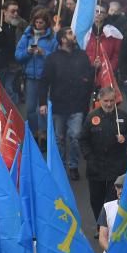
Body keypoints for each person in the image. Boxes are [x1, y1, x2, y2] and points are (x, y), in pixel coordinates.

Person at [38, 27, 93, 179]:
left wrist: (92, 72)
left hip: (77, 105)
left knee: (75, 136)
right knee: (59, 138)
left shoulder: (82, 56)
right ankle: (61, 166)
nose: (73, 35)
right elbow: (44, 82)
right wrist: (42, 103)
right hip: (59, 105)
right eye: (69, 33)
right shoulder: (53, 59)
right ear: (62, 39)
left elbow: (88, 77)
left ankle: (73, 165)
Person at [79, 87, 127, 220]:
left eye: (112, 101)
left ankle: (109, 225)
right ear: (100, 100)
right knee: (96, 199)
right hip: (96, 166)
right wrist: (89, 157)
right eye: (106, 101)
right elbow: (83, 139)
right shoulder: (92, 117)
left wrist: (125, 138)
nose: (109, 104)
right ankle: (99, 223)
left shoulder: (123, 117)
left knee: (112, 199)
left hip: (117, 166)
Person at [15, 7, 57, 138]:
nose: (38, 25)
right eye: (36, 22)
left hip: (45, 78)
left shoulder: (52, 38)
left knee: (43, 108)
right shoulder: (26, 36)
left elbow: (56, 58)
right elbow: (18, 55)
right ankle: (33, 132)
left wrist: (44, 53)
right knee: (30, 108)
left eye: (41, 23)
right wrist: (28, 52)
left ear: (46, 23)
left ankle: (44, 133)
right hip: (30, 77)